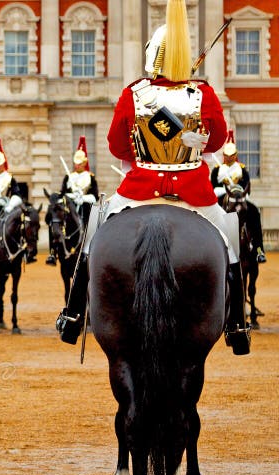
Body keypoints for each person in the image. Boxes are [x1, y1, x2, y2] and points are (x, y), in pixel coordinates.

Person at [56, 0, 250, 355]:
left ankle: (72, 314)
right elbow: (220, 140)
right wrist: (191, 135)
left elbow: (117, 146)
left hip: (139, 189)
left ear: (152, 57)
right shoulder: (202, 93)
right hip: (194, 192)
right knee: (231, 239)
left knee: (94, 229)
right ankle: (237, 326)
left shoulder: (134, 93)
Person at [211, 132, 266, 263]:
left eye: (231, 156)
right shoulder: (217, 169)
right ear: (223, 156)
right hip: (222, 195)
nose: (229, 158)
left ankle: (259, 249)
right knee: (211, 212)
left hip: (240, 196)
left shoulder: (241, 169)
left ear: (235, 156)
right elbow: (213, 185)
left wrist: (236, 185)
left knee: (254, 211)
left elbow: (247, 184)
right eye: (226, 156)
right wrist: (223, 183)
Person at [48, 136, 99, 266]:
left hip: (85, 207)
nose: (77, 165)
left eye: (80, 163)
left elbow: (95, 196)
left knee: (94, 225)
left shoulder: (90, 177)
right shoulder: (68, 177)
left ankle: (94, 250)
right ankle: (52, 252)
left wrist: (83, 198)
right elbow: (63, 193)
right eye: (76, 162)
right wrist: (71, 195)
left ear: (84, 162)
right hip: (69, 207)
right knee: (54, 222)